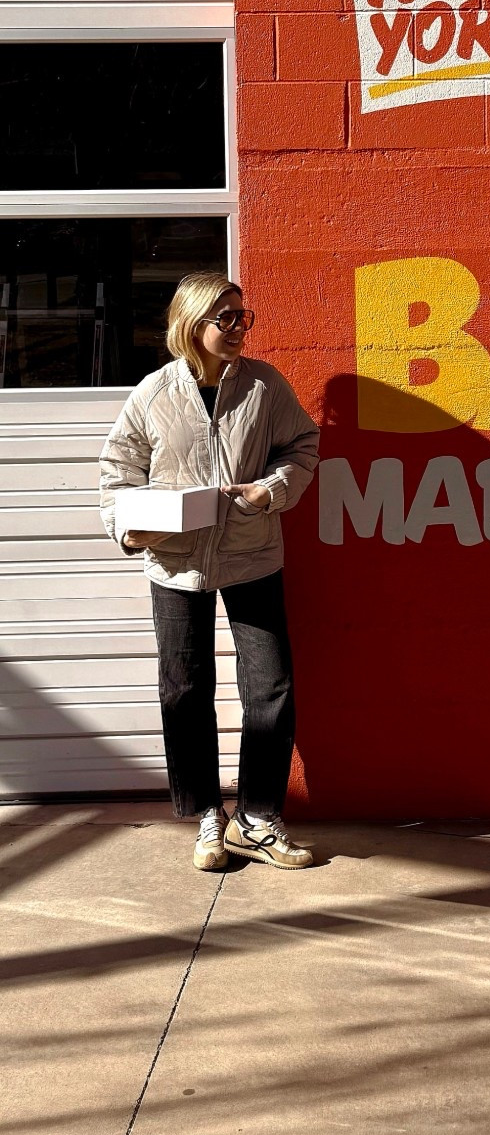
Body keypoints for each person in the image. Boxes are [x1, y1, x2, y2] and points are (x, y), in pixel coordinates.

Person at [99, 272, 320, 873]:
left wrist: (270, 489)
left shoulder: (265, 387)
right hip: (175, 562)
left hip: (252, 554)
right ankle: (205, 817)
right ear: (190, 325)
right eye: (225, 319)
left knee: (270, 688)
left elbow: (302, 446)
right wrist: (129, 526)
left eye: (244, 317)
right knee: (185, 690)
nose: (238, 329)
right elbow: (117, 472)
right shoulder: (152, 394)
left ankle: (259, 816)